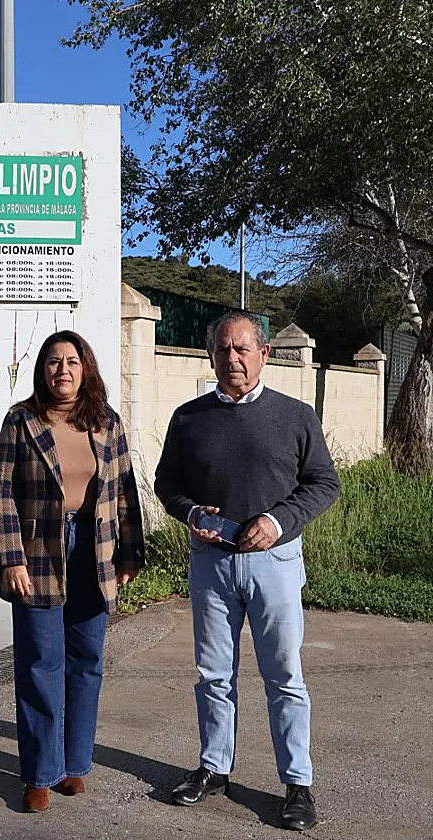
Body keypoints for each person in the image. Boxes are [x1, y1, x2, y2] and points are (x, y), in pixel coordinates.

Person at [154, 312, 340, 831]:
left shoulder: (296, 415)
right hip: (212, 566)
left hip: (275, 566)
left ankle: (297, 784)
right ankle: (214, 769)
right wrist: (192, 514)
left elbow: (324, 483)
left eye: (241, 349)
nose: (232, 359)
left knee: (284, 677)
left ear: (263, 353)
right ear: (211, 355)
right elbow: (166, 483)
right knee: (213, 675)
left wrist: (279, 522)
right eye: (222, 350)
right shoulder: (188, 418)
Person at [0, 329, 145, 813]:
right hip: (38, 554)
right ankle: (40, 773)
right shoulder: (21, 421)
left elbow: (124, 491)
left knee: (87, 662)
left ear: (86, 368)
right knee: (40, 664)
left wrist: (130, 554)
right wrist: (12, 558)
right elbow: (2, 495)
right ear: (43, 370)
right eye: (54, 362)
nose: (63, 370)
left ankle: (74, 767)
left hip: (93, 554)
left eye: (72, 362)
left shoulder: (106, 422)